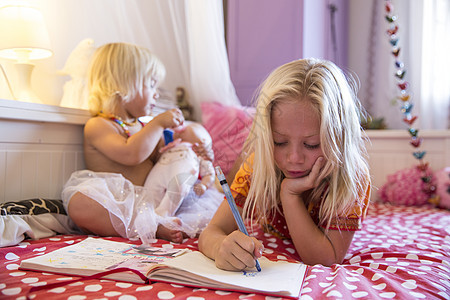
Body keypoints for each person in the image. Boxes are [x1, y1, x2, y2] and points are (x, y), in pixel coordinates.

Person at [198, 58, 371, 270]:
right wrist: (219, 247)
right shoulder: (260, 163)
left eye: (311, 144)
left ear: (339, 139)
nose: (294, 158)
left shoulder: (352, 177)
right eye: (279, 142)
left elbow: (326, 259)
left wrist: (290, 195)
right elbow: (212, 231)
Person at [62, 42, 218, 244]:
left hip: (152, 199)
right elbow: (131, 154)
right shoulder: (98, 126)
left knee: (193, 194)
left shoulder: (144, 127)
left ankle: (157, 220)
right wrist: (158, 123)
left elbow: (166, 158)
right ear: (123, 86)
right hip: (118, 200)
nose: (157, 93)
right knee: (79, 204)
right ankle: (149, 226)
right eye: (151, 84)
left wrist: (199, 153)